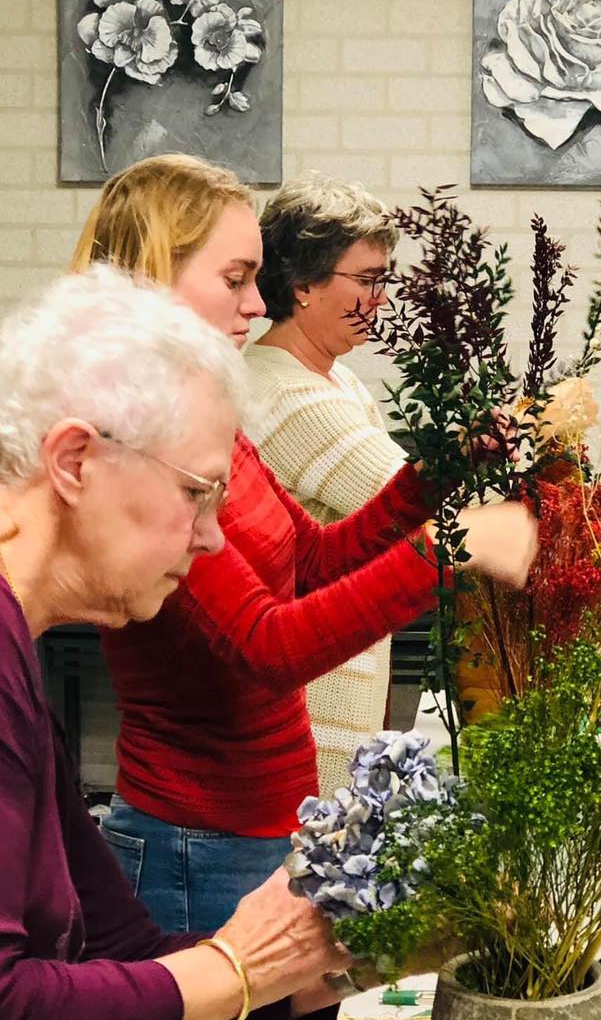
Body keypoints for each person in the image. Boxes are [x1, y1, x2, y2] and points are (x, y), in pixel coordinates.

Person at [70, 154, 539, 934]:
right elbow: (266, 645)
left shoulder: (207, 416)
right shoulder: (140, 440)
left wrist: (439, 476)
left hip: (254, 829)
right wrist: (447, 554)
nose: (258, 304)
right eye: (235, 279)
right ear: (156, 276)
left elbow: (314, 559)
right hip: (196, 844)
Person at [0, 265, 350, 1019]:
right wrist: (234, 970)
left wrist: (359, 958)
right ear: (75, 461)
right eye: (194, 493)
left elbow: (118, 943)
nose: (212, 538)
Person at [246, 173, 408, 796]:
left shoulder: (333, 380)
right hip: (311, 707)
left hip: (335, 686)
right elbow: (418, 504)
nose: (382, 300)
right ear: (304, 284)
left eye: (383, 280)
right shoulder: (287, 393)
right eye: (367, 280)